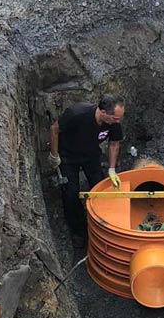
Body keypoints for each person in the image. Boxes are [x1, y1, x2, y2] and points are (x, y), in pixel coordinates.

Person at [49, 95, 125, 246]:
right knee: (70, 194)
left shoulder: (113, 122)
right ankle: (79, 231)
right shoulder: (77, 114)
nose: (118, 122)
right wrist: (54, 155)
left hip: (90, 155)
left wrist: (111, 169)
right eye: (116, 118)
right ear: (103, 112)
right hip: (68, 155)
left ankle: (104, 222)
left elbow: (114, 143)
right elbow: (54, 129)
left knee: (101, 188)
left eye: (119, 118)